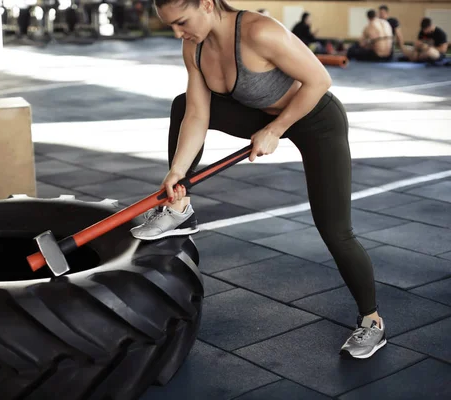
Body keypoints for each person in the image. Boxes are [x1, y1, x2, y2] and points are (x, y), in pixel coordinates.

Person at [130, 0, 387, 359]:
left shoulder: (258, 32)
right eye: (171, 26)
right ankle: (180, 207)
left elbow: (319, 80)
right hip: (258, 116)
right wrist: (177, 170)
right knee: (181, 102)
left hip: (315, 118)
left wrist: (276, 129)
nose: (177, 33)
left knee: (335, 230)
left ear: (206, 4)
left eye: (181, 22)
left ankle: (372, 321)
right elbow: (197, 112)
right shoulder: (194, 45)